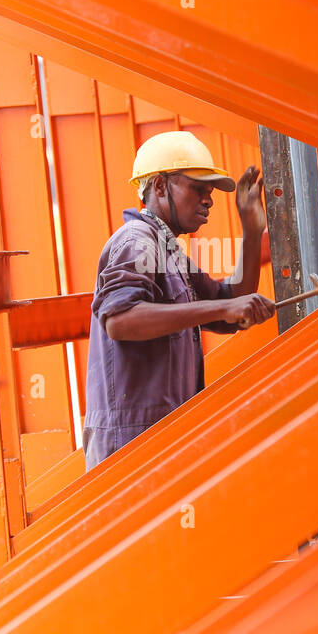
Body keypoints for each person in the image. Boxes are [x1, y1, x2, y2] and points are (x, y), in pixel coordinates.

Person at [82, 131, 275, 471]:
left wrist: (250, 230)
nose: (209, 201)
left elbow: (230, 303)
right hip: (133, 455)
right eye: (198, 189)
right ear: (159, 186)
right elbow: (120, 320)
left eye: (210, 193)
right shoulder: (137, 241)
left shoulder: (168, 251)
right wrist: (223, 308)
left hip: (162, 446)